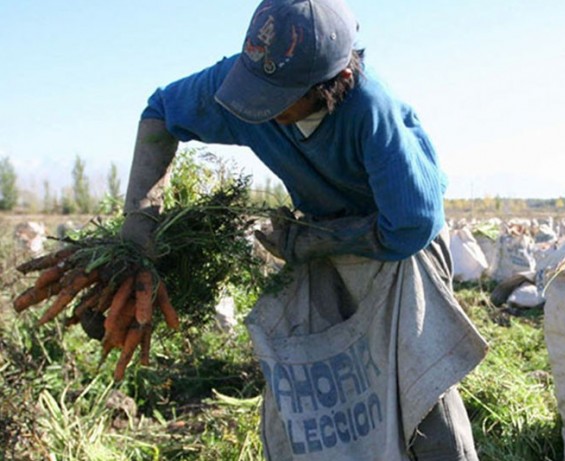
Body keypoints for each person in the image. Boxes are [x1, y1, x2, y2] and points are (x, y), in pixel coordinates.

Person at [120, 0, 487, 459]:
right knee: (312, 381)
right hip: (318, 245)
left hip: (396, 250)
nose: (261, 109)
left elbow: (412, 224)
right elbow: (160, 111)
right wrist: (139, 230)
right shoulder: (244, 87)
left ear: (336, 85)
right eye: (257, 91)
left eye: (280, 99)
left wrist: (309, 241)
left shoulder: (371, 111)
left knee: (416, 383)